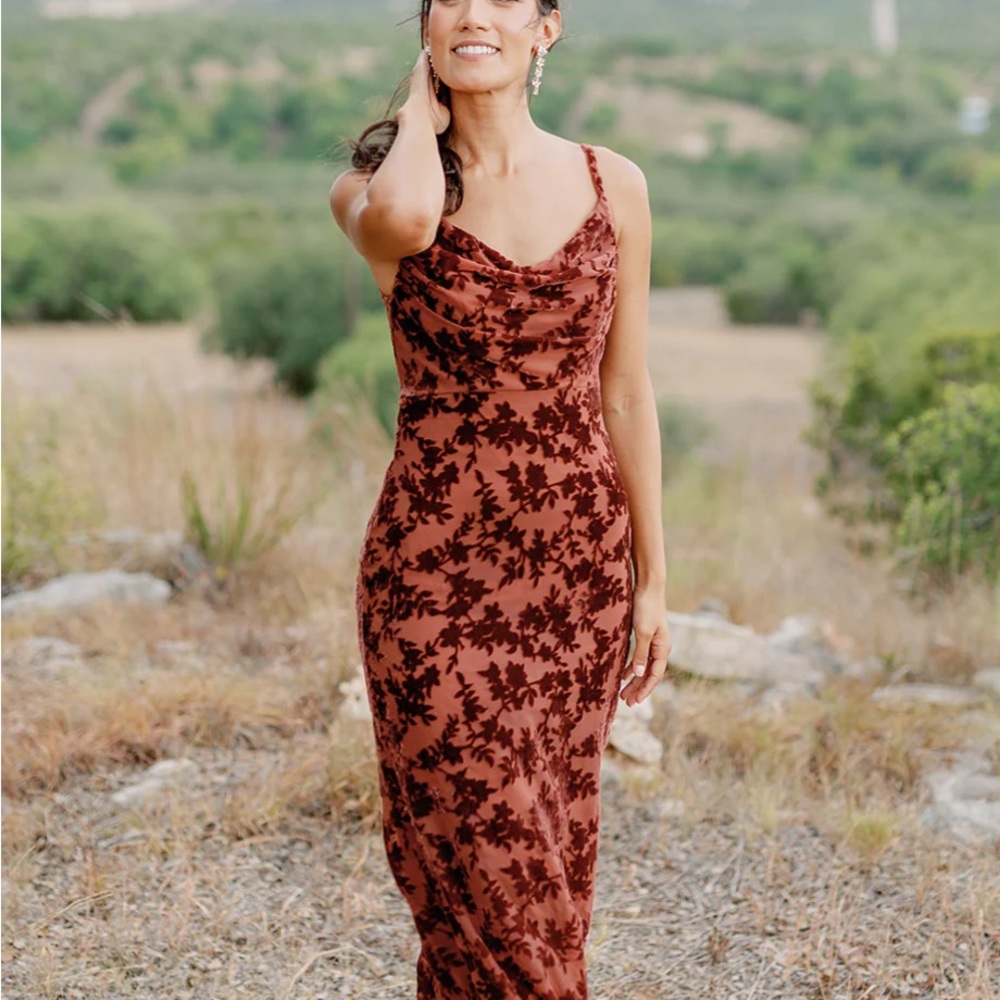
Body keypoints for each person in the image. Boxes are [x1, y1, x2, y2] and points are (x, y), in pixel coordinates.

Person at [330, 1, 671, 996]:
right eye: (449, 0)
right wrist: (421, 110)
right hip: (431, 578)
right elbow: (405, 223)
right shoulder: (374, 192)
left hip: (575, 574)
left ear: (547, 27)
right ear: (425, 29)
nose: (475, 12)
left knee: (546, 859)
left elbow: (626, 390)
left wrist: (653, 580)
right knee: (472, 863)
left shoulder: (616, 183)